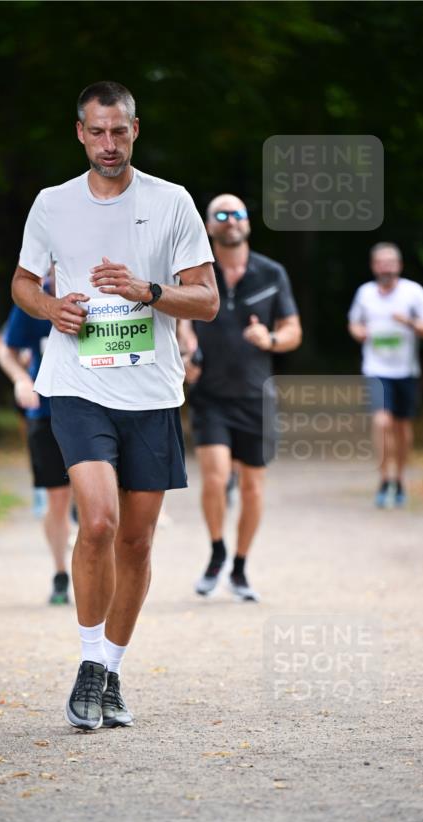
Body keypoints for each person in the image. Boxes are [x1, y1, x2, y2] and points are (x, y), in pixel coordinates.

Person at [11, 80, 218, 730]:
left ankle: (111, 669)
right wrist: (51, 308)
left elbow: (206, 299)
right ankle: (86, 661)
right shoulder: (51, 204)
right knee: (96, 523)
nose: (108, 143)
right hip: (76, 385)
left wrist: (148, 290)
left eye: (118, 131)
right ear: (80, 132)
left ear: (135, 130)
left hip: (152, 392)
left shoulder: (171, 202)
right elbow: (20, 282)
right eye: (96, 131)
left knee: (134, 539)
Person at [178, 194, 301, 602]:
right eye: (221, 215)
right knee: (214, 477)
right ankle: (216, 552)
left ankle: (241, 567)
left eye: (238, 214)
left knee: (252, 487)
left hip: (255, 397)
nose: (231, 220)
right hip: (210, 395)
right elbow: (181, 321)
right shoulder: (196, 273)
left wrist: (269, 338)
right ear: (210, 227)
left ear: (248, 222)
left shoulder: (271, 273)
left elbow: (292, 330)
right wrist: (185, 350)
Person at [0, 283, 73, 605]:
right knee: (57, 500)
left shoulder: (101, 290)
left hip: (96, 412)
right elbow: (4, 351)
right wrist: (22, 380)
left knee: (97, 500)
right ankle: (60, 573)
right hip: (46, 413)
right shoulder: (35, 300)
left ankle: (97, 570)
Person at [348, 242, 423, 508]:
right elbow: (354, 322)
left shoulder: (413, 293)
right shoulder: (365, 294)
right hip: (376, 370)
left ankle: (399, 479)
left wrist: (409, 322)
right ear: (373, 266)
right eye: (381, 262)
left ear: (398, 265)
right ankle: (383, 478)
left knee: (402, 427)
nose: (386, 267)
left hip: (406, 371)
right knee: (381, 422)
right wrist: (358, 332)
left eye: (390, 262)